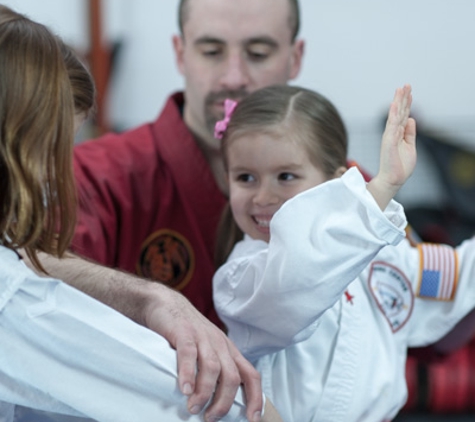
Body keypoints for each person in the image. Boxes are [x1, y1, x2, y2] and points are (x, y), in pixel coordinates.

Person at [0, 5, 284, 422]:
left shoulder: (343, 192)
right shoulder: (102, 177)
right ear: (179, 52)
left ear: (295, 57)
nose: (234, 76)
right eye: (211, 50)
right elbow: (235, 411)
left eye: (259, 53)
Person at [212, 83, 475, 421]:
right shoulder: (242, 279)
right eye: (246, 177)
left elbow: (453, 277)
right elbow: (298, 280)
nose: (263, 196)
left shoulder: (382, 257)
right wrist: (380, 190)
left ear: (336, 183)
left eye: (285, 176)